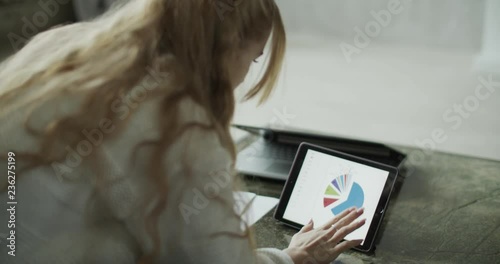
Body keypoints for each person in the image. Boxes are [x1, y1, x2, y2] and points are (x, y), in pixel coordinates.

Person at [0, 0, 366, 263]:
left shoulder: (64, 46)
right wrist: (292, 257)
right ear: (229, 46)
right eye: (253, 60)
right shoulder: (179, 120)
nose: (242, 81)